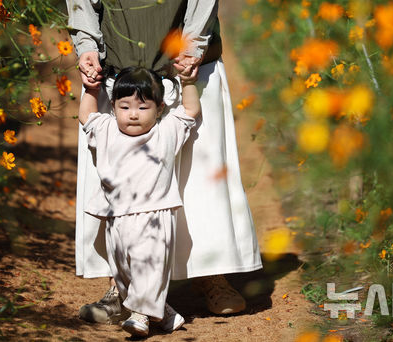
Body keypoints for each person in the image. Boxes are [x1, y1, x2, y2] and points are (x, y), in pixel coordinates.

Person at [68, 0, 262, 322]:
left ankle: (209, 272)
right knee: (122, 182)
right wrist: (86, 43)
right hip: (118, 67)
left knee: (200, 177)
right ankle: (122, 286)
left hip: (188, 63)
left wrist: (193, 45)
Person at [78, 65, 200, 336]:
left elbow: (190, 111)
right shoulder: (107, 129)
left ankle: (141, 316)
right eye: (125, 107)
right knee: (123, 273)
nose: (133, 114)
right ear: (113, 107)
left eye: (143, 108)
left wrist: (189, 81)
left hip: (154, 216)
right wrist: (91, 89)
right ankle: (166, 315)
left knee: (150, 265)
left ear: (159, 109)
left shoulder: (165, 132)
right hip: (117, 218)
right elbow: (86, 115)